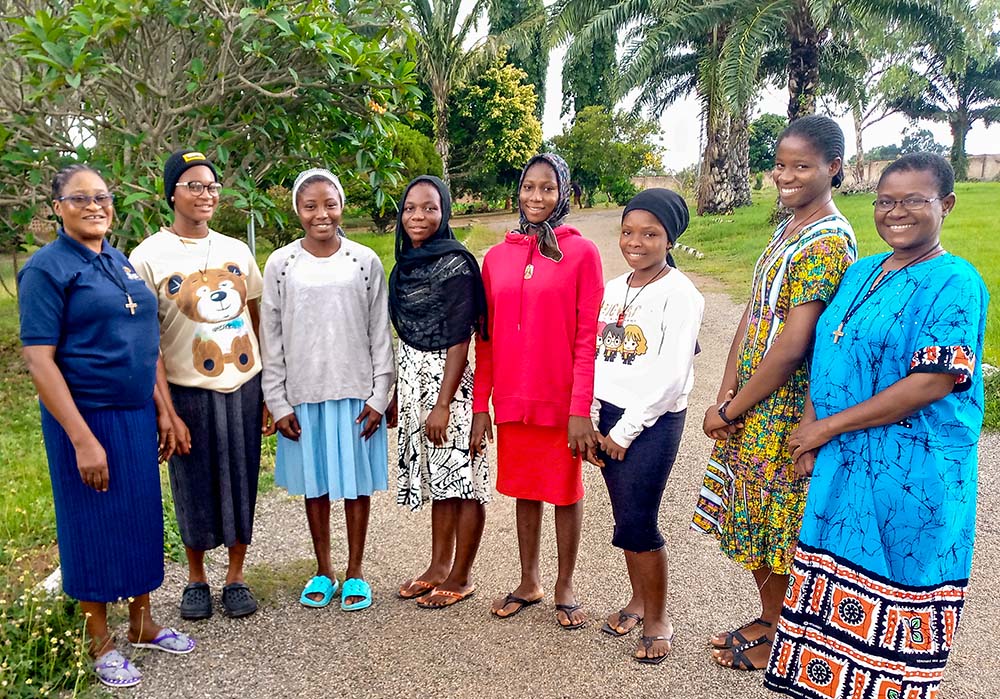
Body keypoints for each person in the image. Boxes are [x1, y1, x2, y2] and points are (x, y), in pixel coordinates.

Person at [764, 153, 986, 698]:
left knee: (897, 609)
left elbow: (933, 381)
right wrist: (813, 427)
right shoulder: (863, 270)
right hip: (844, 465)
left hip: (913, 472)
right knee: (829, 606)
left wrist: (824, 428)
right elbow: (826, 350)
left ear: (947, 205)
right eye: (886, 201)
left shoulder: (955, 281)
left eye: (915, 200)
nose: (896, 212)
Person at [691, 115, 857, 671]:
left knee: (777, 524)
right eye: (781, 165)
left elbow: (793, 343)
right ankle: (771, 619)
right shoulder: (787, 229)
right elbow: (753, 314)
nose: (786, 176)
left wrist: (735, 407)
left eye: (802, 166)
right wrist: (724, 391)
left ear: (834, 169)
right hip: (750, 401)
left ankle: (785, 635)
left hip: (784, 407)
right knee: (754, 518)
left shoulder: (828, 241)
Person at [19, 164, 195, 689]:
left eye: (102, 197)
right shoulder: (46, 270)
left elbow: (148, 345)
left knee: (139, 517)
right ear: (57, 208)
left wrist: (163, 408)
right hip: (86, 418)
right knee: (91, 524)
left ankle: (141, 621)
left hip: (136, 412)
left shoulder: (119, 260)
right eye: (80, 198)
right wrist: (81, 439)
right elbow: (40, 362)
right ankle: (100, 638)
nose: (94, 206)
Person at [471, 153, 604, 630]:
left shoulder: (582, 253)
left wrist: (580, 408)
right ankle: (530, 581)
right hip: (511, 399)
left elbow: (588, 336)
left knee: (565, 491)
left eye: (547, 188)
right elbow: (484, 337)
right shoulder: (496, 257)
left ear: (563, 192)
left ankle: (565, 584)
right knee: (525, 490)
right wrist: (482, 404)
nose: (536, 197)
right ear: (518, 190)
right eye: (529, 187)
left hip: (560, 400)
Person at [130, 150, 264, 620]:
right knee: (192, 483)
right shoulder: (146, 256)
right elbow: (148, 342)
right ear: (172, 193)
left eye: (211, 187)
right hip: (186, 389)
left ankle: (235, 575)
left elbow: (257, 314)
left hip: (242, 383)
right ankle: (196, 578)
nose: (205, 195)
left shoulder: (236, 251)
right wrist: (165, 410)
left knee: (242, 476)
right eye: (194, 186)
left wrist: (266, 386)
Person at [260, 168, 394, 612]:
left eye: (329, 204)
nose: (321, 214)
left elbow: (379, 332)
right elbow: (271, 337)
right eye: (310, 205)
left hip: (356, 394)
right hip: (303, 395)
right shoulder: (281, 265)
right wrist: (277, 401)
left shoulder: (363, 261)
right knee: (315, 484)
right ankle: (324, 568)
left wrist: (380, 394)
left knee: (355, 485)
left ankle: (355, 571)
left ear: (342, 206)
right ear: (297, 210)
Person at [593, 189, 704, 664]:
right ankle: (638, 601)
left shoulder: (681, 295)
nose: (635, 242)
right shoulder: (615, 289)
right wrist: (598, 415)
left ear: (669, 238)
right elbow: (598, 358)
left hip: (651, 421)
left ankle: (658, 618)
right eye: (628, 231)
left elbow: (670, 375)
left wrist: (625, 430)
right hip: (610, 417)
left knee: (640, 520)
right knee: (625, 516)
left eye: (650, 233)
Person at [388, 176, 490, 609]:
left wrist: (444, 404)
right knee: (439, 479)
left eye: (430, 208)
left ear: (444, 211)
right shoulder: (405, 262)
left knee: (465, 480)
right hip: (413, 379)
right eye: (411, 208)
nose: (419, 216)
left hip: (449, 385)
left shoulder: (456, 264)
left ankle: (462, 575)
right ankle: (437, 565)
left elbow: (460, 338)